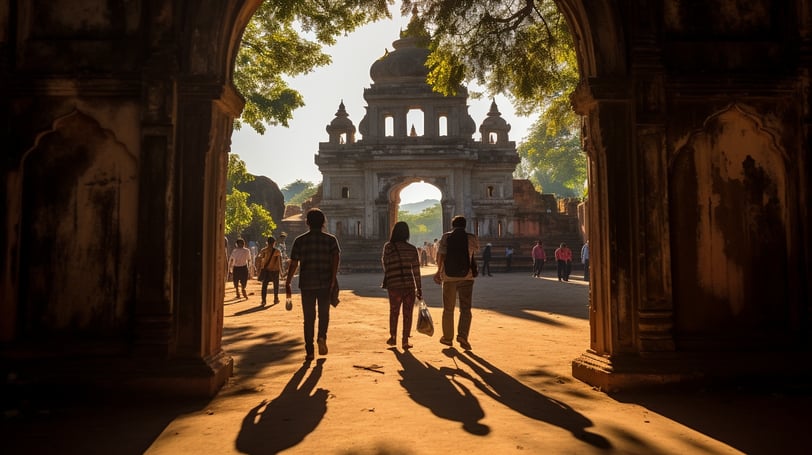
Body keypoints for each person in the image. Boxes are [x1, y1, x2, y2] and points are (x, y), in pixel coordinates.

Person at [285, 208, 341, 361]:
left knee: (308, 318)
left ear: (307, 222)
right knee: (324, 314)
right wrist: (333, 278)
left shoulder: (300, 240)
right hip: (325, 283)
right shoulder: (330, 240)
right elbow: (336, 258)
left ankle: (309, 351)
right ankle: (322, 337)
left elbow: (294, 263)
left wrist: (288, 281)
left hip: (307, 283)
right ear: (323, 222)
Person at [434, 215, 479, 350]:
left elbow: (441, 256)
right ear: (465, 225)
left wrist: (438, 271)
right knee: (466, 309)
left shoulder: (446, 237)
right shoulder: (471, 238)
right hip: (467, 276)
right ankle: (463, 336)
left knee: (448, 309)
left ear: (452, 225)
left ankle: (448, 338)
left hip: (449, 277)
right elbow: (473, 253)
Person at [381, 221, 423, 349]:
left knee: (394, 311)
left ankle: (393, 337)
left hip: (394, 284)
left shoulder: (388, 247)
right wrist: (419, 287)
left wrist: (392, 273)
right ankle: (405, 340)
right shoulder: (411, 249)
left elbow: (385, 264)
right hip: (409, 285)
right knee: (407, 313)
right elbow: (416, 269)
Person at [256, 236, 282, 305]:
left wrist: (258, 270)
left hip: (266, 271)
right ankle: (275, 299)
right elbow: (279, 262)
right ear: (274, 243)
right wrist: (281, 272)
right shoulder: (277, 251)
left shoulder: (263, 250)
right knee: (276, 285)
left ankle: (263, 300)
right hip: (275, 271)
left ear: (267, 242)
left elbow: (260, 261)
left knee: (264, 286)